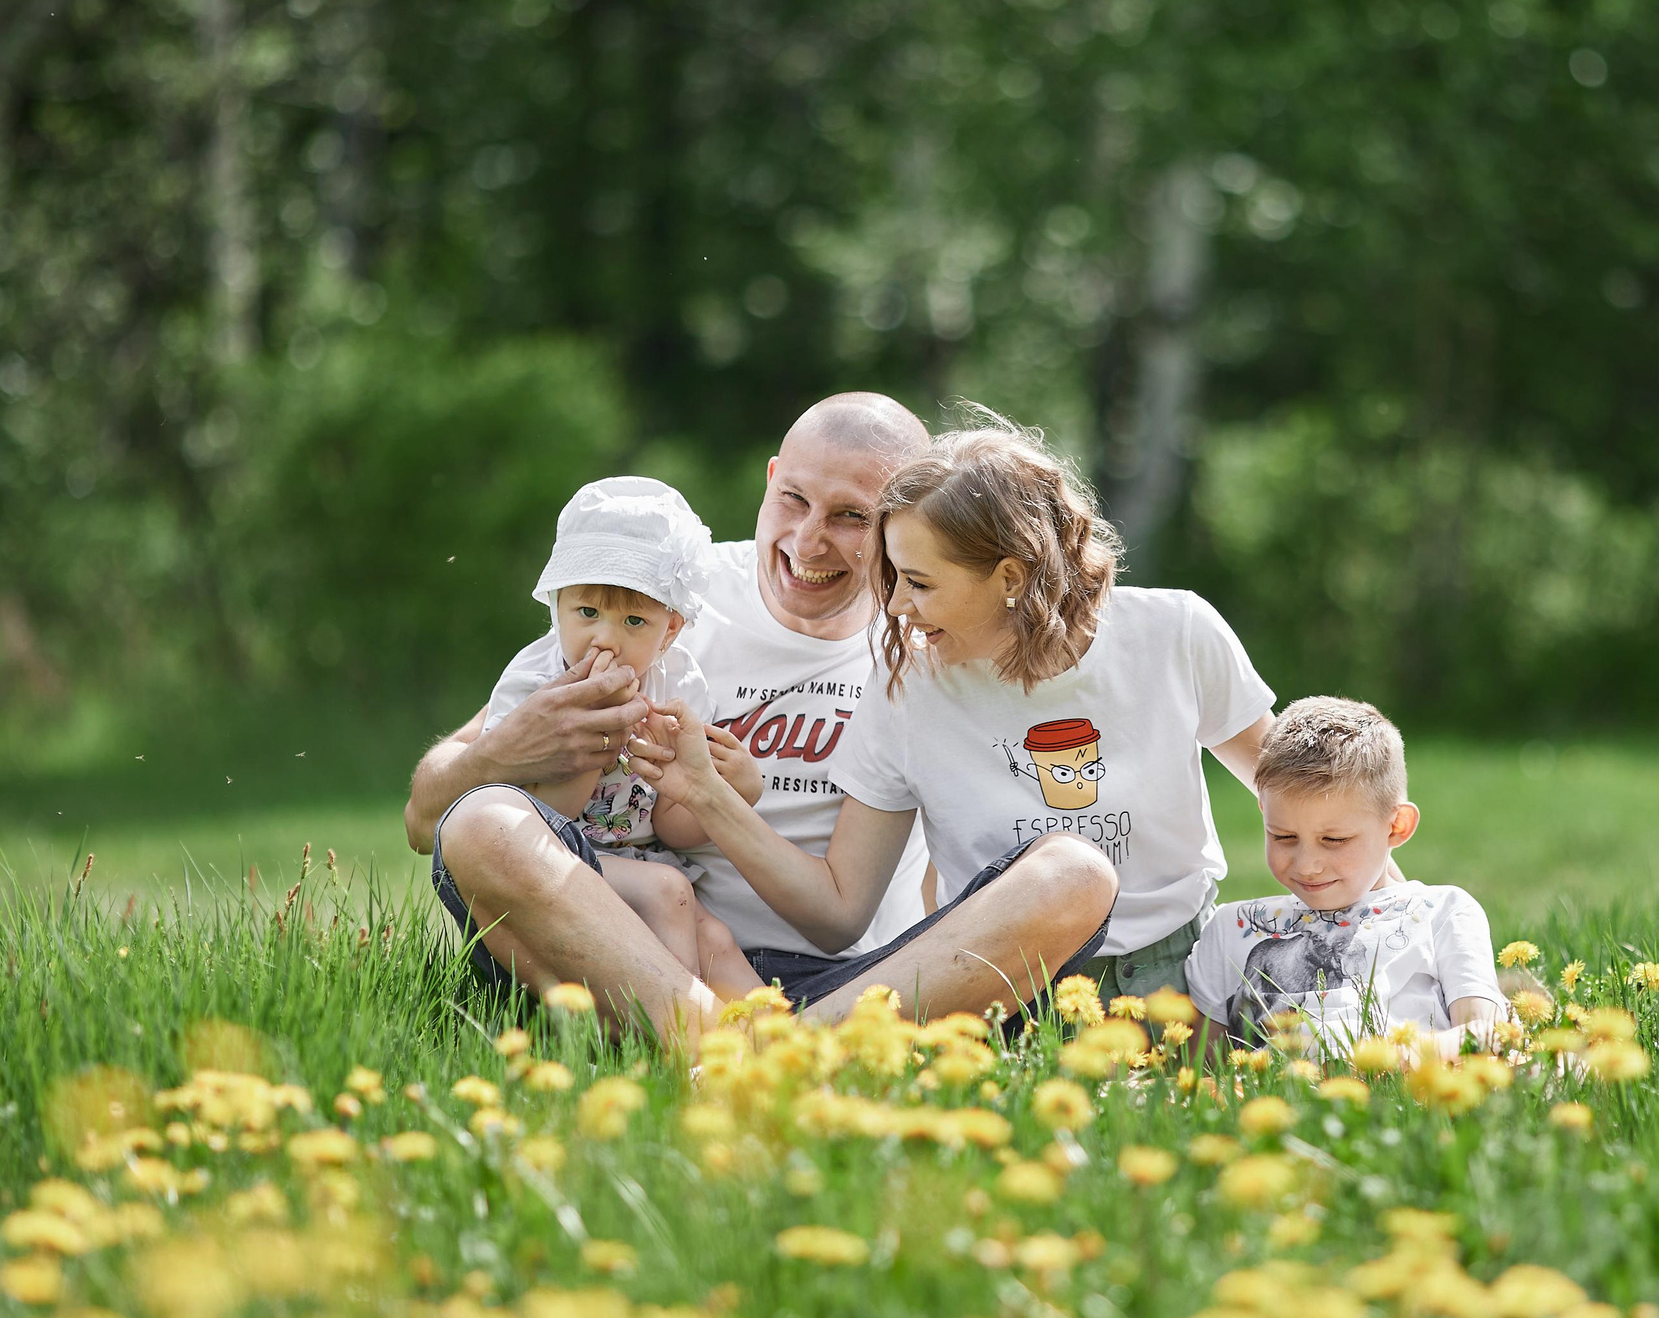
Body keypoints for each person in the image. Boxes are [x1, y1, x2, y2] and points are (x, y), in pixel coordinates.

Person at [631, 413, 1277, 1022]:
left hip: (1179, 986)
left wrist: (1375, 924)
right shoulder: (910, 682)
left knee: (1077, 870)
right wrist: (708, 795)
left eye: (918, 581)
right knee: (1068, 873)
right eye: (892, 576)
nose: (896, 605)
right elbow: (837, 911)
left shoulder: (1174, 633)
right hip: (1007, 996)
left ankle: (793, 1049)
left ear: (1009, 576)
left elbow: (1304, 799)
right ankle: (808, 1049)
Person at [405, 393, 940, 1042]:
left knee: (1065, 876)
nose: (808, 540)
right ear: (770, 481)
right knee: (480, 823)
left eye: (851, 516)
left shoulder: (919, 649)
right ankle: (724, 1045)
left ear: (902, 526)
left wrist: (712, 794)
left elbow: (837, 920)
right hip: (632, 947)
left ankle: (727, 1045)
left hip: (840, 978)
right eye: (795, 500)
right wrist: (509, 751)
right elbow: (427, 813)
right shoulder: (657, 591)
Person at [449, 475, 767, 1006]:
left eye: (634, 621)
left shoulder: (678, 680)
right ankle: (682, 1046)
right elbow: (540, 813)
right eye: (587, 612)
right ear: (557, 604)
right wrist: (592, 742)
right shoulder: (535, 681)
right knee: (671, 893)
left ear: (670, 630)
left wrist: (730, 788)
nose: (604, 638)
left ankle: (792, 1043)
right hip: (548, 863)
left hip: (641, 862)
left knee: (715, 940)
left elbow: (673, 825)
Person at [1184, 696, 1506, 1054]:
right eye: (1283, 836)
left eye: (1334, 840)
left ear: (1397, 826)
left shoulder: (1443, 912)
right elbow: (1201, 1071)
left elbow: (1484, 1036)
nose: (1307, 864)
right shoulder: (1230, 929)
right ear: (1263, 812)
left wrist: (1398, 1058)